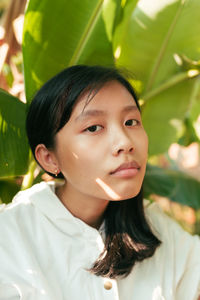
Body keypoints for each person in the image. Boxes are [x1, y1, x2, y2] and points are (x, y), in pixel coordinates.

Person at [0, 65, 200, 300]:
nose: (124, 142)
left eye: (131, 122)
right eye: (93, 127)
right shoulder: (10, 238)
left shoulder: (160, 230)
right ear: (49, 158)